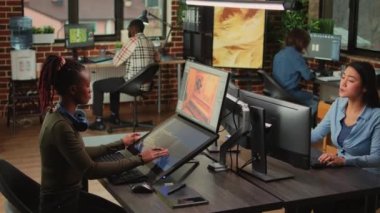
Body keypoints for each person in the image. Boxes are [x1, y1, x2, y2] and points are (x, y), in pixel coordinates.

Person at [38, 55, 168, 213]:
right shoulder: (61, 126)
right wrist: (140, 159)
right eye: (87, 86)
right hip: (61, 205)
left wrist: (121, 143)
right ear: (73, 90)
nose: (91, 90)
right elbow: (91, 170)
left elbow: (81, 152)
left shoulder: (58, 114)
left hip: (68, 196)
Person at [310, 61, 380, 213]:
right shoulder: (338, 105)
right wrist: (287, 134)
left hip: (368, 182)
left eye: (351, 80)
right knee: (306, 193)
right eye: (343, 77)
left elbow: (377, 158)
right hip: (343, 174)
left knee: (324, 203)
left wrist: (344, 161)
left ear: (365, 87)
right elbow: (316, 135)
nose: (344, 82)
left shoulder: (377, 117)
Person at [89, 19, 156, 130]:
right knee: (115, 83)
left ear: (133, 29)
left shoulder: (132, 41)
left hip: (132, 84)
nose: (128, 31)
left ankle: (99, 121)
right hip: (145, 85)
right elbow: (157, 58)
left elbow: (116, 62)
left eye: (129, 29)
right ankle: (114, 117)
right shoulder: (150, 42)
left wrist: (118, 54)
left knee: (97, 85)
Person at [272, 28, 318, 116]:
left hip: (278, 93)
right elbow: (308, 76)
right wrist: (313, 74)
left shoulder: (279, 54)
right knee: (316, 101)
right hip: (290, 93)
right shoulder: (296, 56)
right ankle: (304, 125)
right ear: (301, 42)